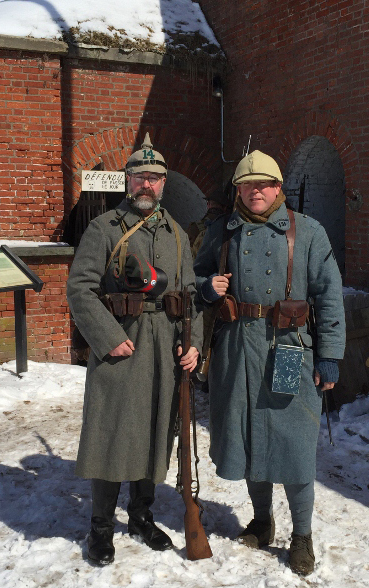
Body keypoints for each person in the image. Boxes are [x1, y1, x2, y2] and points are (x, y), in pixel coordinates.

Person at [193, 150, 345, 576]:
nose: (255, 190)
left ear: (278, 188)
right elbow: (194, 279)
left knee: (295, 449)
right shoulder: (221, 231)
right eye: (246, 184)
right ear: (238, 190)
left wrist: (330, 355)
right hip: (236, 351)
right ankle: (262, 521)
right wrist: (207, 287)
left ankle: (302, 536)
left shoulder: (309, 232)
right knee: (247, 441)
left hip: (289, 349)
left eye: (263, 183)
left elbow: (330, 294)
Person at [67, 133, 202, 566]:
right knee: (110, 431)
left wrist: (193, 342)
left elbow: (191, 297)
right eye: (140, 177)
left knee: (155, 429)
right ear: (127, 180)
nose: (147, 185)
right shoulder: (103, 229)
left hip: (165, 345)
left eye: (155, 178)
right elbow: (80, 290)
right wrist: (108, 337)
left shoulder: (178, 235)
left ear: (164, 184)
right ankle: (100, 528)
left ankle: (141, 515)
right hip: (121, 344)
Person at [186, 189, 232, 259]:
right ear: (225, 207)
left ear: (208, 205)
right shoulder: (230, 227)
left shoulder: (195, 227)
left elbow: (186, 254)